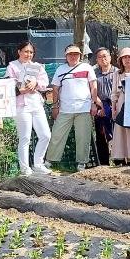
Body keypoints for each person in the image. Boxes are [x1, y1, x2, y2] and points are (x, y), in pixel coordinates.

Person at [47, 44, 101, 172]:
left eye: (76, 54)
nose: (73, 56)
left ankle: (81, 163)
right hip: (65, 109)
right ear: (66, 56)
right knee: (57, 135)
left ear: (80, 56)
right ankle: (49, 161)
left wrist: (94, 103)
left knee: (83, 137)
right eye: (70, 54)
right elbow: (55, 89)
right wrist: (55, 106)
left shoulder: (87, 68)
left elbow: (93, 86)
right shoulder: (60, 69)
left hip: (84, 108)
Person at [4, 41, 53, 176]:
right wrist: (22, 89)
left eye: (31, 52)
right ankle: (25, 167)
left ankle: (38, 164)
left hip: (36, 103)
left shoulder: (37, 67)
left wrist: (35, 83)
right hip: (21, 105)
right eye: (26, 51)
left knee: (45, 135)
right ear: (19, 52)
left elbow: (44, 83)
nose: (28, 54)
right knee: (25, 137)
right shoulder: (12, 66)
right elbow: (8, 84)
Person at [92, 48, 118, 166]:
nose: (103, 59)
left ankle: (119, 162)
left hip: (116, 107)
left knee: (117, 136)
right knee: (101, 137)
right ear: (97, 59)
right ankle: (103, 164)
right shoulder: (94, 73)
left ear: (110, 57)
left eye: (105, 56)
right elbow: (93, 91)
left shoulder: (117, 72)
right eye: (100, 57)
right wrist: (100, 106)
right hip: (100, 106)